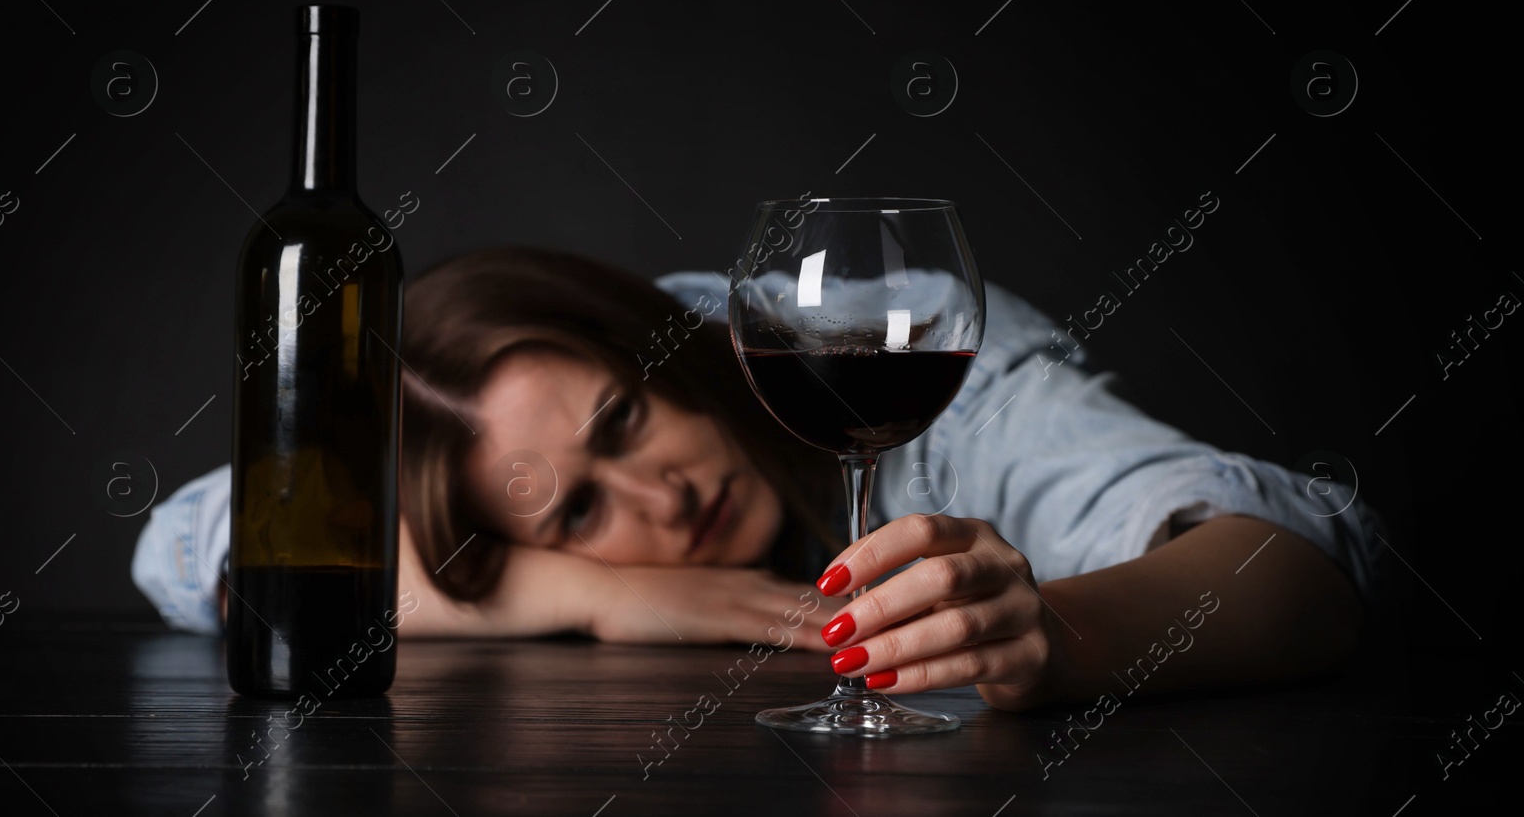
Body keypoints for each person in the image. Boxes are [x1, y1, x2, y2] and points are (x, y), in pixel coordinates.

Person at [133, 246, 1381, 711]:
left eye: (623, 420)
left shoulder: (894, 348)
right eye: (577, 510)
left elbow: (1300, 561)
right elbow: (187, 540)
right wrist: (577, 592)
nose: (661, 500)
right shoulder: (576, 558)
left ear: (651, 342)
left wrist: (1057, 634)